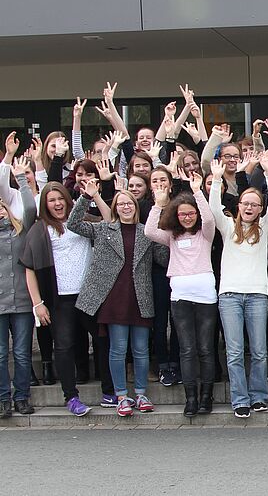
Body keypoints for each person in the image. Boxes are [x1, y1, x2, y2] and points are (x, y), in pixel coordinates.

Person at [67, 183, 166, 417]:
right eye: (120, 204)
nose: (125, 207)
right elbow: (73, 224)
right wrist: (86, 196)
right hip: (113, 299)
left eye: (129, 203)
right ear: (114, 208)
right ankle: (121, 396)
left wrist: (163, 222)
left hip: (140, 297)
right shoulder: (103, 229)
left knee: (141, 350)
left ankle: (141, 394)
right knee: (117, 349)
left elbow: (164, 257)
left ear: (135, 206)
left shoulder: (147, 232)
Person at [22, 181, 113, 416]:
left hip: (89, 294)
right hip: (59, 298)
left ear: (67, 199)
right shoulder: (40, 229)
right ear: (45, 205)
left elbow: (109, 222)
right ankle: (71, 397)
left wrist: (94, 196)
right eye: (51, 200)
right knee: (63, 347)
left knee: (103, 339)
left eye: (60, 198)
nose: (57, 204)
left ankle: (109, 392)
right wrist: (37, 303)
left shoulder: (82, 221)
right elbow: (29, 268)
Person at [209, 152, 268, 418]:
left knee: (260, 351)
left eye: (255, 204)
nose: (250, 207)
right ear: (238, 205)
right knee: (235, 351)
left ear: (260, 209)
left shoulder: (264, 228)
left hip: (257, 296)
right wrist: (216, 180)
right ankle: (240, 399)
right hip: (229, 296)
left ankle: (259, 396)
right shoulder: (227, 227)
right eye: (245, 203)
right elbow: (214, 207)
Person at [146, 170, 219, 416]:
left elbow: (209, 220)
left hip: (205, 294)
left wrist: (197, 192)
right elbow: (149, 232)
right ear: (176, 216)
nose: (187, 217)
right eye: (182, 214)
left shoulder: (205, 234)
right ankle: (190, 398)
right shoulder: (172, 237)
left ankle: (206, 396)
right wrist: (158, 204)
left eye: (191, 213)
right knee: (187, 349)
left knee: (206, 348)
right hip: (180, 296)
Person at [0, 157, 37, 418]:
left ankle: (21, 396)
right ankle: (3, 398)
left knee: (22, 353)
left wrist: (21, 179)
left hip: (23, 302)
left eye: (2, 207)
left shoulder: (20, 231)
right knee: (1, 354)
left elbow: (31, 209)